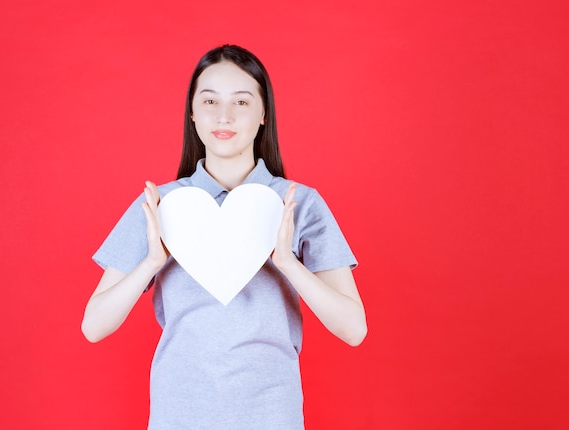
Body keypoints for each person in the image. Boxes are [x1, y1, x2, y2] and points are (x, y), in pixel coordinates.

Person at [81, 44, 367, 429]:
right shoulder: (162, 204)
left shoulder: (298, 203)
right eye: (210, 100)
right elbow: (94, 326)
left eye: (242, 102)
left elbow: (354, 329)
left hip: (272, 414)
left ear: (264, 114)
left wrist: (285, 262)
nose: (224, 115)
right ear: (192, 113)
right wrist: (152, 260)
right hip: (178, 414)